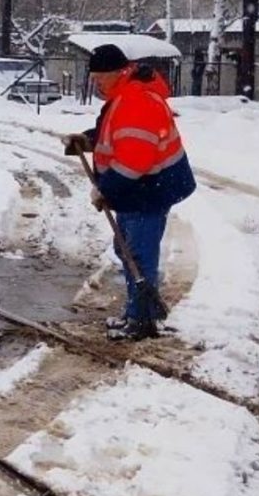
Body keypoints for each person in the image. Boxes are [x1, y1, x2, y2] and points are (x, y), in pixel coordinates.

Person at [64, 44, 196, 341]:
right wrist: (86, 141)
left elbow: (134, 161)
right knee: (127, 250)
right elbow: (114, 133)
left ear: (117, 73)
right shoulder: (124, 96)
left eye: (99, 78)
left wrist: (104, 190)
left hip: (150, 189)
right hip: (142, 188)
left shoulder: (137, 101)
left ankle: (142, 320)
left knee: (137, 254)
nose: (96, 85)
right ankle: (138, 312)